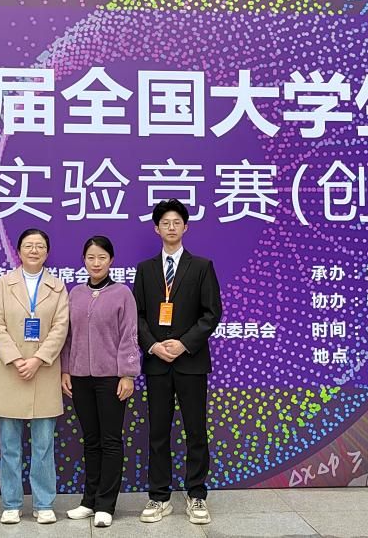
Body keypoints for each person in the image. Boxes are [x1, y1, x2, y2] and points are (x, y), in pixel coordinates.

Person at [133, 199, 222, 525]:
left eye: (176, 222)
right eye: (165, 223)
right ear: (156, 229)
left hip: (191, 362)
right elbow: (137, 315)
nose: (171, 227)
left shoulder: (201, 266)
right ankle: (159, 497)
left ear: (185, 227)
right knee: (158, 432)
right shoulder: (145, 269)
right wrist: (154, 346)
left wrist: (184, 344)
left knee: (195, 430)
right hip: (157, 363)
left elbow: (211, 313)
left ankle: (196, 494)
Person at [0, 229, 70, 525]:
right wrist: (17, 359)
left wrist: (38, 359)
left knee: (43, 445)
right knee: (9, 445)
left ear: (47, 252)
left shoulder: (57, 287)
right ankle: (11, 503)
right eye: (28, 246)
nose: (34, 250)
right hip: (10, 371)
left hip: (43, 371)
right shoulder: (2, 284)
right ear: (19, 251)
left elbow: (60, 327)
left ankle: (44, 503)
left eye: (40, 246)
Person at [60, 236, 139, 528]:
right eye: (91, 257)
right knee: (91, 440)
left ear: (111, 260)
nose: (96, 263)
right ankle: (89, 501)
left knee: (110, 440)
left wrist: (127, 374)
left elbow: (129, 334)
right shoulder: (75, 294)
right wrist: (66, 370)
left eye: (102, 257)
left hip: (111, 379)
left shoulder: (122, 293)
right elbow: (67, 336)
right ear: (84, 260)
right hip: (80, 377)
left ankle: (106, 504)